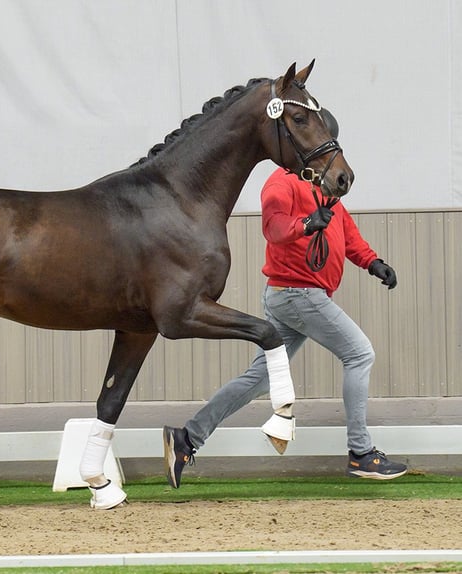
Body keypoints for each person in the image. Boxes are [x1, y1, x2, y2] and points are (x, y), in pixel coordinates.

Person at [163, 115, 407, 487]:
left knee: (259, 378)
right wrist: (307, 224)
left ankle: (187, 438)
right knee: (360, 354)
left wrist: (373, 262)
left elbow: (346, 231)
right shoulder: (280, 183)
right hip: (297, 294)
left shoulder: (321, 186)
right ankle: (360, 453)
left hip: (293, 297)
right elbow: (274, 229)